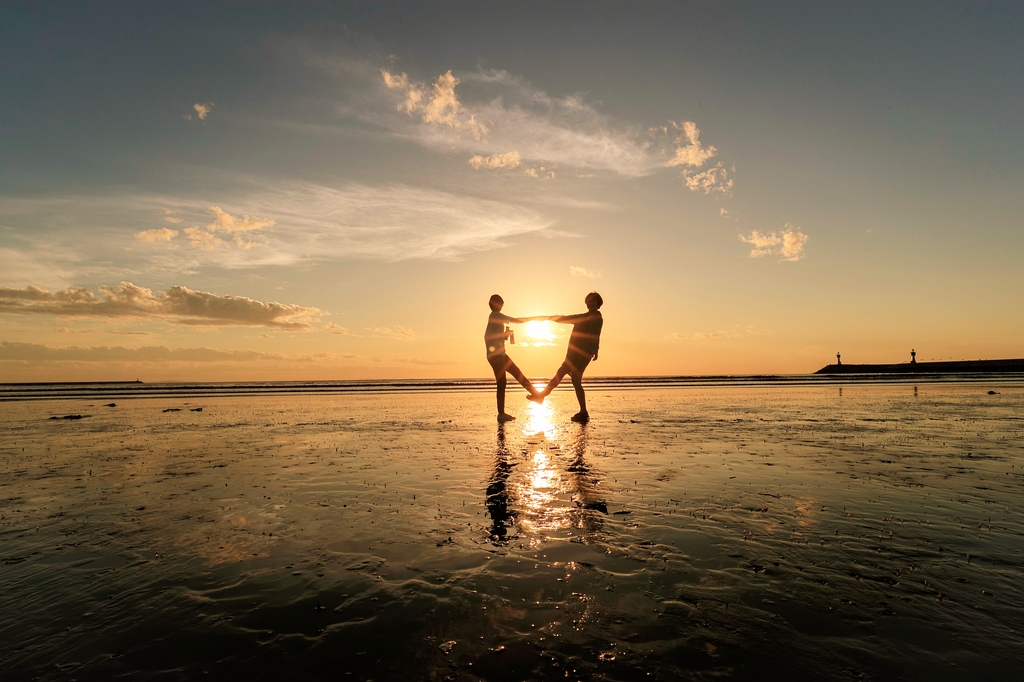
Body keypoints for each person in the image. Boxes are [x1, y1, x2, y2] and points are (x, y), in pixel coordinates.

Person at [529, 292, 603, 422]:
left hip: (583, 353)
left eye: (593, 301)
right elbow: (565, 318)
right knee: (575, 380)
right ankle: (583, 411)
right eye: (588, 301)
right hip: (574, 352)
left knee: (564, 373)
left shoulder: (597, 318)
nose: (590, 303)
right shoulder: (582, 317)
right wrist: (548, 318)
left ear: (598, 303)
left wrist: (594, 350)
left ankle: (542, 395)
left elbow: (595, 335)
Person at [485, 294, 543, 422]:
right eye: (501, 303)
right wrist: (533, 319)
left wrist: (505, 335)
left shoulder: (494, 318)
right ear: (495, 304)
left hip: (497, 354)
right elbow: (515, 320)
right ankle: (501, 414)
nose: (502, 306)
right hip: (497, 355)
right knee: (502, 383)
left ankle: (537, 395)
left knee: (516, 374)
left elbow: (495, 337)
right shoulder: (495, 315)